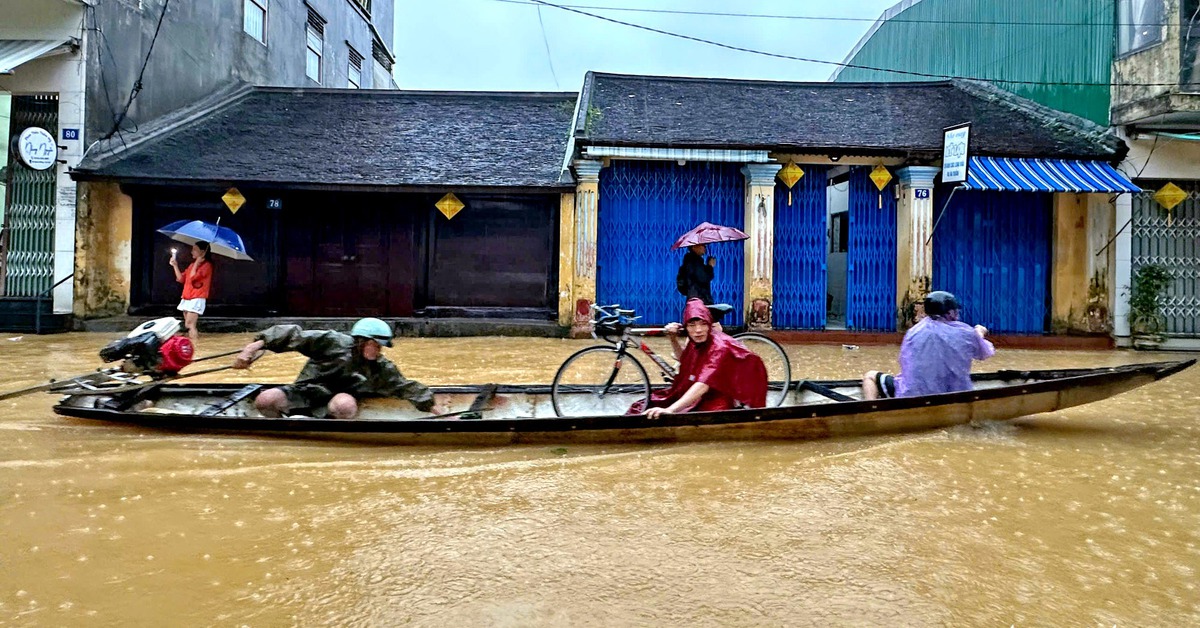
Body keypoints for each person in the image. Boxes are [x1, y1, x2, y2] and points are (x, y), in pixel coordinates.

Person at [232, 317, 448, 419]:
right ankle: (282, 428)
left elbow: (406, 388)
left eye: (380, 347)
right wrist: (250, 349)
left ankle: (326, 430)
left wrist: (442, 415)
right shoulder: (332, 342)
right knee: (265, 400)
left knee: (344, 405)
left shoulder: (380, 366)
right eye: (375, 345)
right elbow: (292, 335)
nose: (378, 351)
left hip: (338, 400)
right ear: (361, 341)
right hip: (307, 391)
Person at [630, 298, 768, 418]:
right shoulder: (695, 340)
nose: (698, 330)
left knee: (688, 411)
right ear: (686, 327)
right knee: (647, 404)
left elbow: (703, 385)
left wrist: (670, 410)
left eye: (703, 324)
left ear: (709, 325)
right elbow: (685, 360)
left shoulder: (718, 347)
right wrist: (672, 338)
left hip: (719, 395)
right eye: (692, 325)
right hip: (704, 390)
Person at [862, 291, 995, 400]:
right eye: (955, 311)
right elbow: (984, 353)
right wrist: (979, 333)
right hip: (956, 393)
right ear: (949, 313)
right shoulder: (966, 332)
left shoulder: (914, 331)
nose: (957, 314)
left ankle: (871, 408)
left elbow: (905, 361)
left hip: (913, 393)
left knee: (870, 376)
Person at [169, 241, 213, 344]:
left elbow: (193, 277)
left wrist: (197, 263)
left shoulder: (207, 266)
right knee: (188, 325)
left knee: (190, 324)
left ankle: (194, 345)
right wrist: (175, 265)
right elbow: (181, 278)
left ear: (202, 252)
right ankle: (192, 345)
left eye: (194, 249)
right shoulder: (192, 265)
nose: (192, 252)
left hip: (197, 297)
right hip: (187, 296)